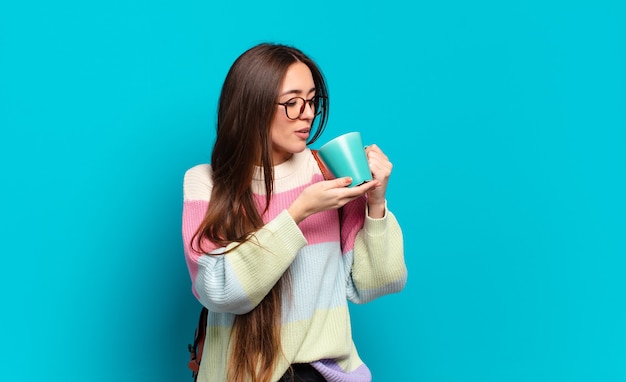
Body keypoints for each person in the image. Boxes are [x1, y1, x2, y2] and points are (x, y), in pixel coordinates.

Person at [182, 43, 407, 382]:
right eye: (292, 102)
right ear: (252, 106)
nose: (307, 113)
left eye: (313, 100)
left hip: (323, 374)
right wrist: (298, 213)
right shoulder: (206, 184)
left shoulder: (327, 172)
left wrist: (376, 203)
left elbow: (374, 285)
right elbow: (219, 292)